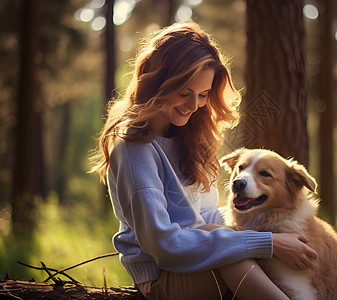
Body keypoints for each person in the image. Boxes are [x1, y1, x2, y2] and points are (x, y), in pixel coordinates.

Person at [91, 22, 318, 300]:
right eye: (185, 92)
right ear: (158, 82)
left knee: (226, 237)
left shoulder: (190, 135)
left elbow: (208, 216)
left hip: (197, 262)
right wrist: (267, 243)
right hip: (163, 277)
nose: (193, 104)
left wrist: (267, 236)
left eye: (203, 94)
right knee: (230, 248)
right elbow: (164, 246)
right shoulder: (134, 147)